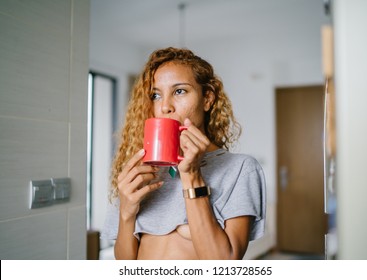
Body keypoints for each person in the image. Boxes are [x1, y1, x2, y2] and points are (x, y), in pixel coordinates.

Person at [101, 47, 266, 260]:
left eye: (179, 91)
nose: (165, 106)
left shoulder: (241, 169)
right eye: (155, 95)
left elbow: (225, 264)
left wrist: (192, 175)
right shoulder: (142, 173)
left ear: (207, 99)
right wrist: (126, 212)